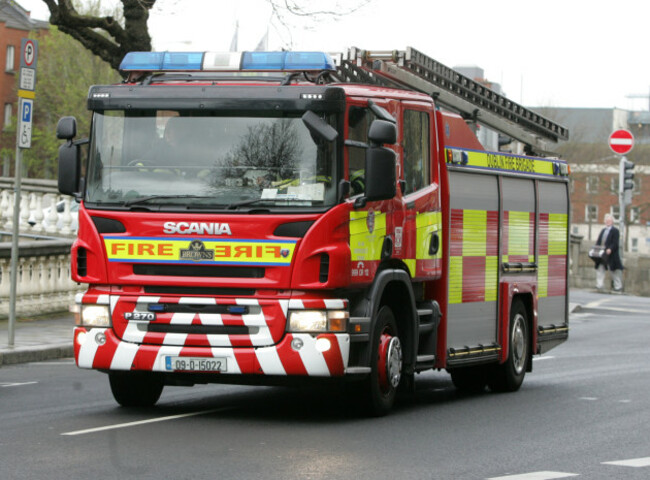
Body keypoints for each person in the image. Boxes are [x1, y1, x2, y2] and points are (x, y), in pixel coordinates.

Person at [594, 213, 623, 292]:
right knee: (600, 268)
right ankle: (599, 285)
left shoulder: (615, 231)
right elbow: (599, 241)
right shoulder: (603, 230)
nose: (608, 222)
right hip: (602, 253)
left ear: (612, 221)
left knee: (613, 270)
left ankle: (618, 286)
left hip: (611, 254)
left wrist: (610, 249)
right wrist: (596, 248)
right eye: (606, 220)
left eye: (609, 220)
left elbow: (615, 243)